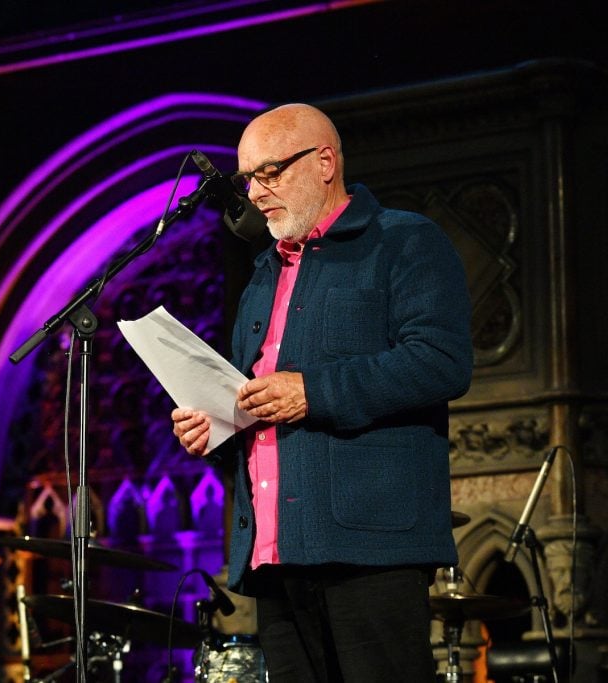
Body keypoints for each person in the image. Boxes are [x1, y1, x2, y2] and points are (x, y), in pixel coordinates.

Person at [171, 103, 473, 682]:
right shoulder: (263, 274)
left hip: (369, 548)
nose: (256, 194)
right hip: (275, 554)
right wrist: (216, 422)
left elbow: (441, 362)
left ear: (325, 161)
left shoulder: (404, 241)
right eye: (247, 179)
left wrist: (312, 391)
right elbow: (258, 396)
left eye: (270, 172)